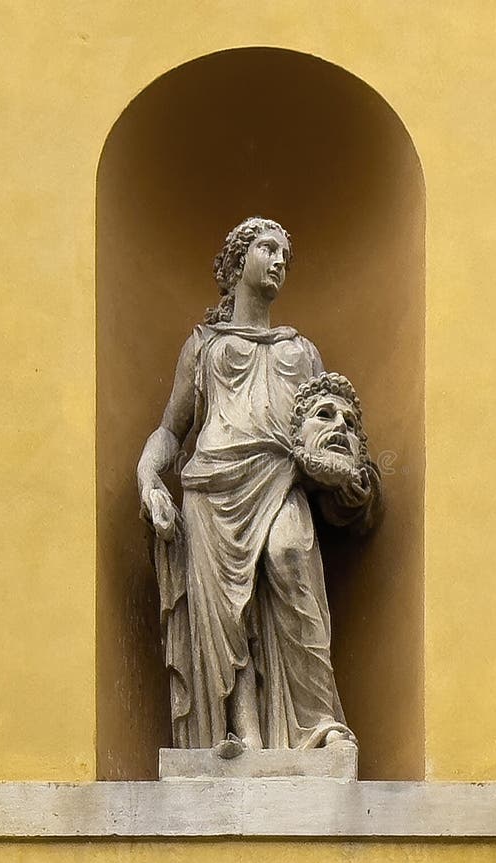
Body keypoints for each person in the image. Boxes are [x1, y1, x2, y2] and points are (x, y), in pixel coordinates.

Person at [137, 216, 375, 752]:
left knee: (292, 561)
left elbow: (322, 427)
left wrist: (345, 474)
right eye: (268, 248)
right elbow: (171, 428)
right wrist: (148, 475)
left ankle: (317, 724)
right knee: (226, 613)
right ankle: (238, 734)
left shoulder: (301, 350)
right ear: (238, 259)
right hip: (211, 488)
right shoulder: (203, 346)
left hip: (280, 476)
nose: (279, 260)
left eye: (284, 253)